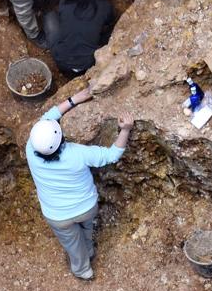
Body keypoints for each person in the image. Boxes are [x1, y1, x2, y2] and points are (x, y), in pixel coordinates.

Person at [24, 87, 133, 280]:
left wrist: (74, 100)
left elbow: (46, 120)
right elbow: (112, 155)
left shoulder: (31, 150)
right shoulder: (78, 153)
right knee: (87, 228)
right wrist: (125, 130)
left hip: (58, 215)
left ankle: (83, 269)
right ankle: (89, 249)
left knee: (71, 243)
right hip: (86, 207)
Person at [43, 0, 114, 76]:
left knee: (50, 16)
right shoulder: (105, 6)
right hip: (89, 63)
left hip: (63, 62)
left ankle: (46, 43)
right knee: (111, 28)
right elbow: (108, 22)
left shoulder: (65, 2)